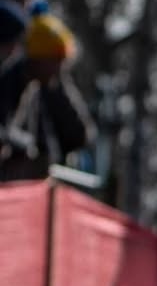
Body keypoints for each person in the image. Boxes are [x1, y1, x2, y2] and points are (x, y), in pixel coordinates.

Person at [0, 13, 95, 181]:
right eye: (56, 61)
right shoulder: (9, 83)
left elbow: (77, 134)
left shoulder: (35, 87)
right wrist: (25, 146)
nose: (59, 71)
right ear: (40, 58)